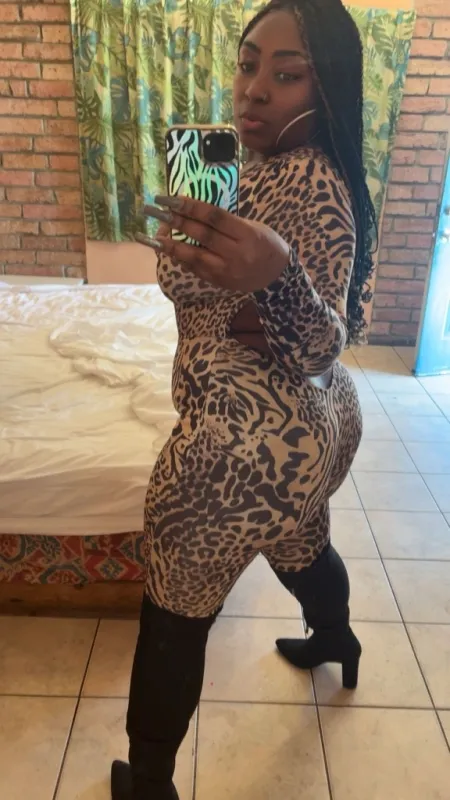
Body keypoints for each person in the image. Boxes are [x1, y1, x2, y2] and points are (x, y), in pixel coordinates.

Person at [112, 0, 376, 797]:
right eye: (248, 63)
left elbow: (323, 337)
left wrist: (279, 278)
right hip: (318, 427)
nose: (255, 88)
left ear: (325, 88)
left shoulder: (311, 181)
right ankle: (336, 640)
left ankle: (148, 781)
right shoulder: (267, 169)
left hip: (240, 444)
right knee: (300, 542)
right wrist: (213, 241)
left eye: (287, 74)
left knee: (175, 608)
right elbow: (215, 283)